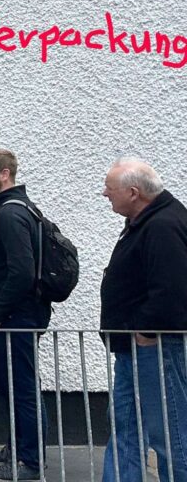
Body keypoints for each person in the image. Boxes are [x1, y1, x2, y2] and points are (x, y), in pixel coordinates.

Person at [100, 157, 187, 482]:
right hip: (134, 347)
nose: (104, 194)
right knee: (126, 426)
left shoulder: (163, 225)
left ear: (133, 193)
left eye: (109, 188)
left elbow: (173, 289)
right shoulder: (146, 221)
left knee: (170, 433)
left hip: (154, 347)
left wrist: (146, 332)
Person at [0, 149, 50, 482]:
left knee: (22, 385)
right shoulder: (18, 209)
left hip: (17, 317)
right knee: (7, 379)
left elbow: (22, 273)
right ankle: (17, 448)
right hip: (19, 314)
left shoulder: (11, 214)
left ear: (4, 174)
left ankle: (29, 462)